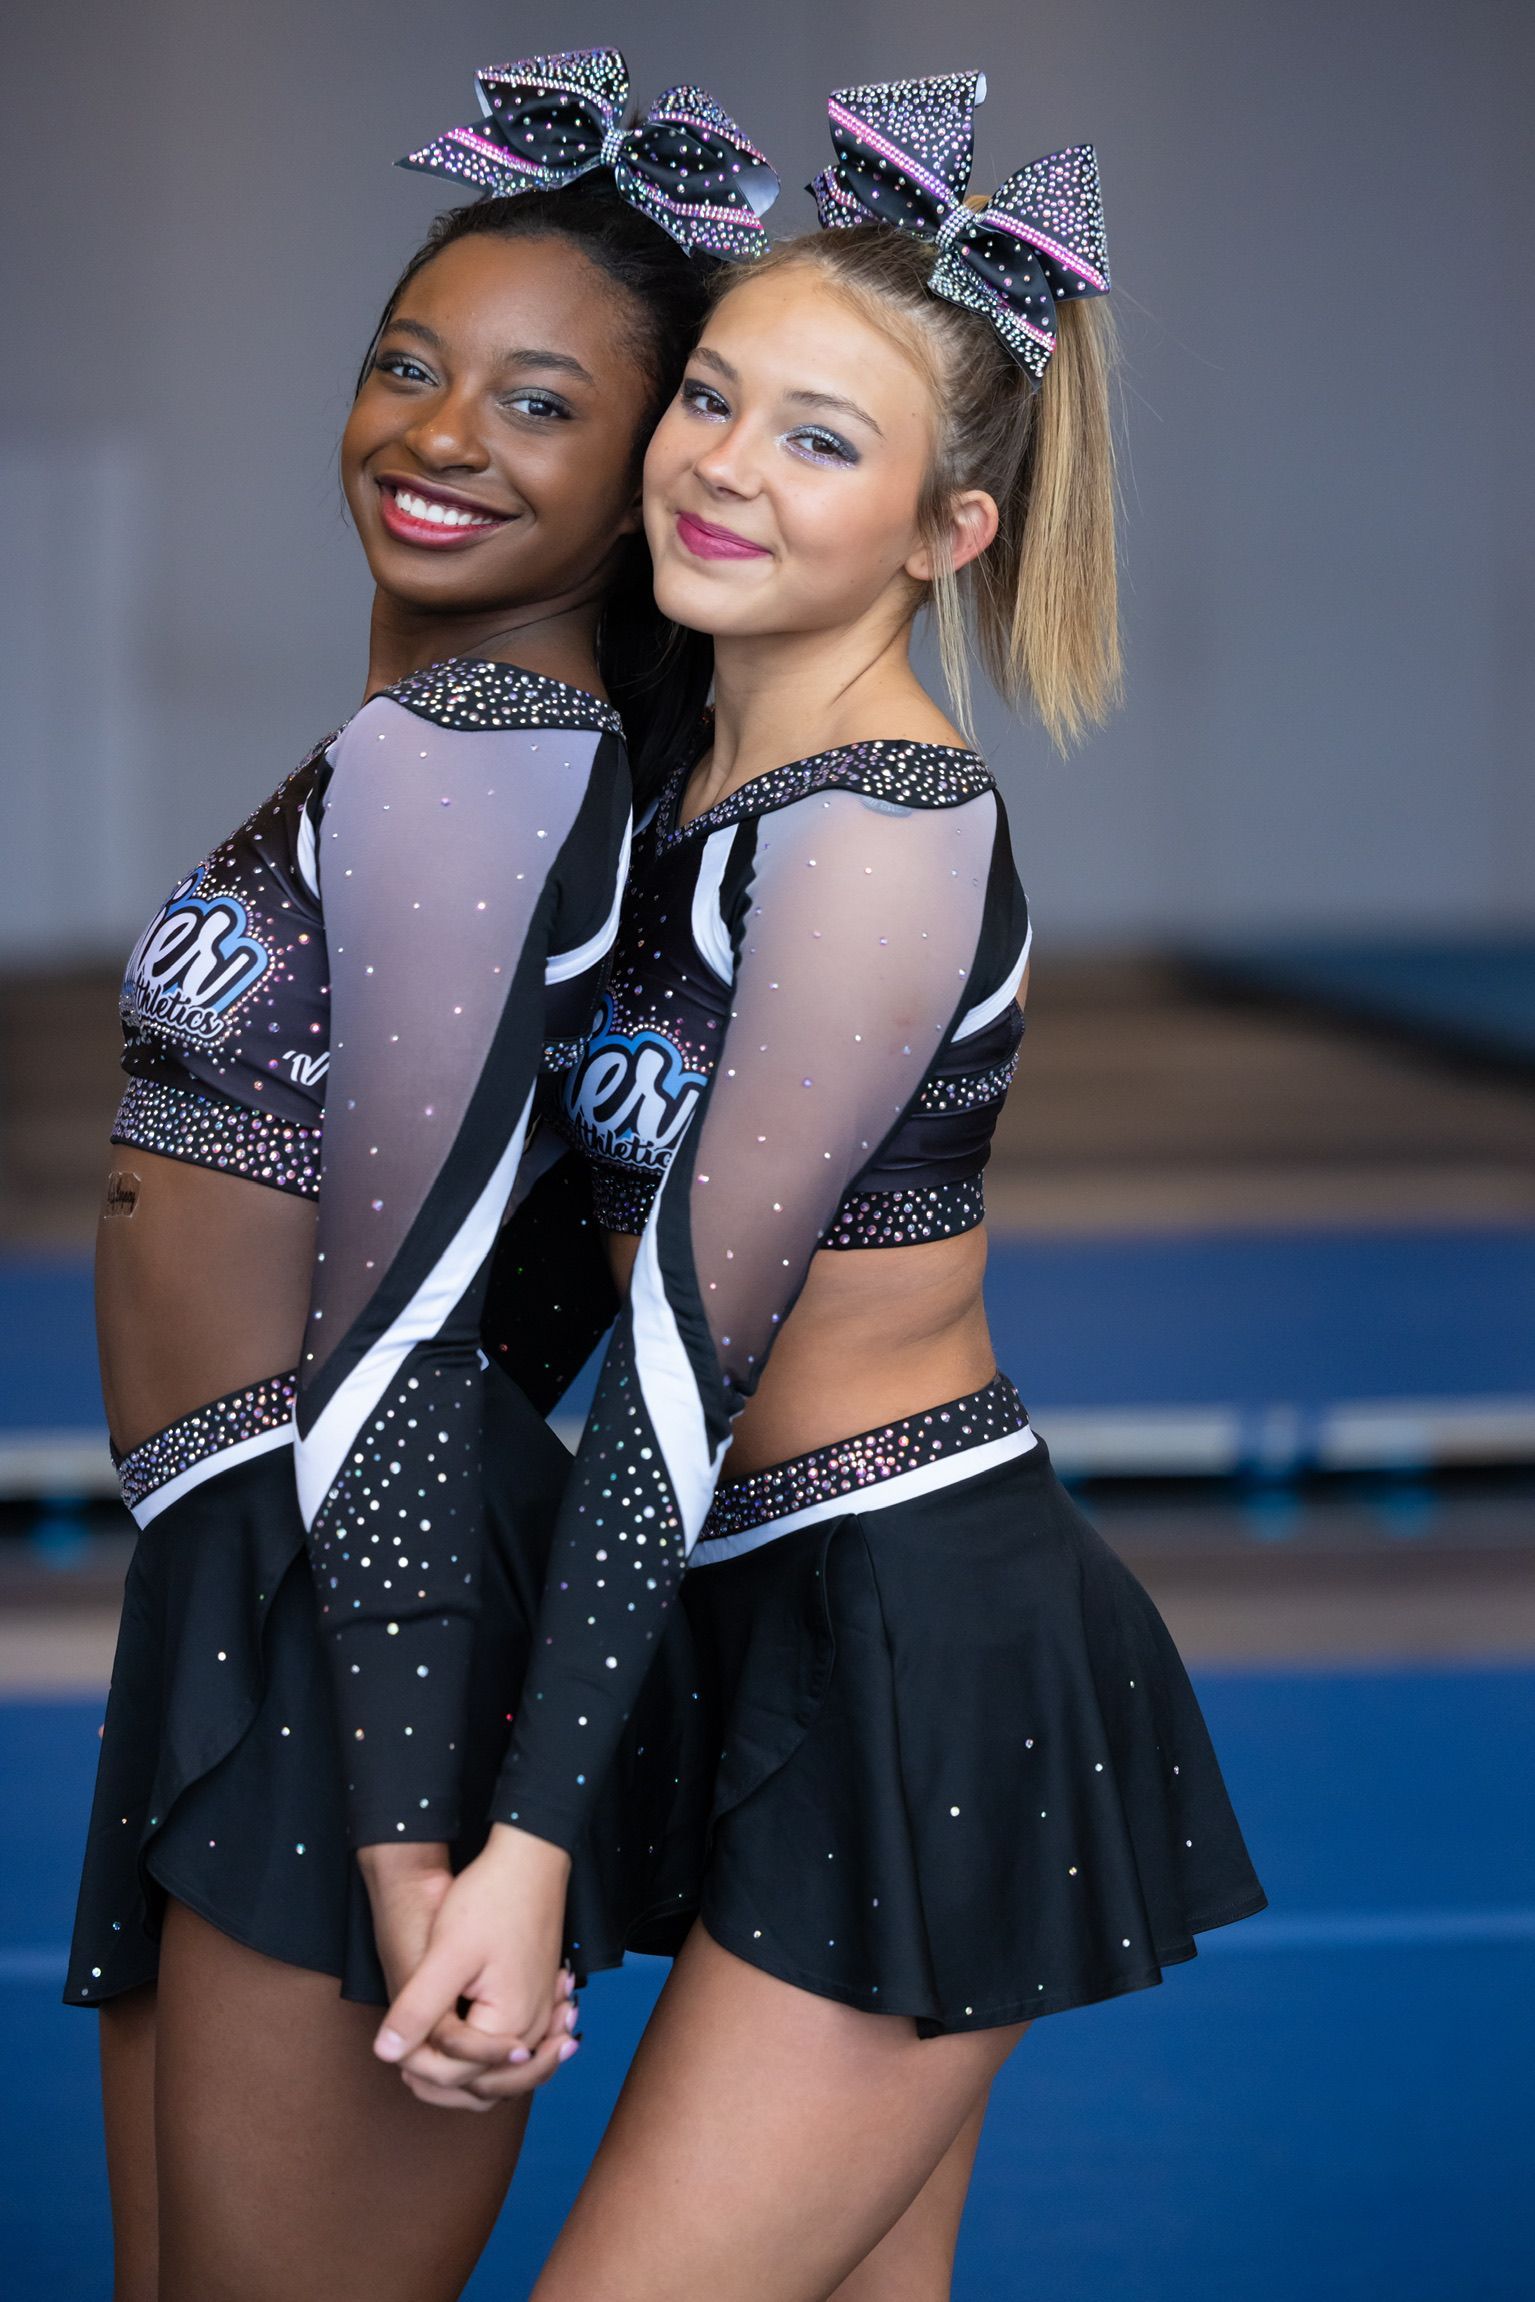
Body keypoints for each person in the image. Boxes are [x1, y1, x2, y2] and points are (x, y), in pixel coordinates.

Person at [380, 71, 1267, 2302]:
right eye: (713, 396)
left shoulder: (880, 831)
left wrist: (520, 1841)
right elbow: (549, 1283)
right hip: (761, 1608)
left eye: (820, 440)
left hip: (916, 1626)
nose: (722, 464)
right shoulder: (691, 783)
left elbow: (685, 1342)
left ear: (944, 532)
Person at [67, 48, 775, 2302]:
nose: (442, 432)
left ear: (648, 475)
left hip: (347, 1585)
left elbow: (401, 1315)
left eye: (540, 402)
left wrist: (411, 1833)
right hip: (254, 1560)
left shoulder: (485, 748)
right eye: (407, 363)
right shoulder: (444, 734)